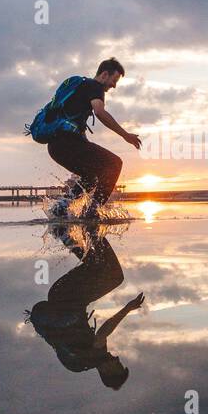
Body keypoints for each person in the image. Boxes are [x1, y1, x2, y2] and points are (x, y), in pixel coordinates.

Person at [27, 230, 144, 388]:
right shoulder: (81, 363)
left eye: (118, 365)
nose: (117, 359)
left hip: (69, 296)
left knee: (115, 276)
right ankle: (64, 231)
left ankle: (92, 226)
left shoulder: (96, 356)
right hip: (60, 295)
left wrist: (128, 308)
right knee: (97, 265)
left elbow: (104, 332)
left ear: (108, 371)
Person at [45, 57, 141, 216]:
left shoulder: (81, 87)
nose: (113, 86)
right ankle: (92, 212)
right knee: (115, 163)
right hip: (67, 143)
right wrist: (126, 135)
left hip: (56, 147)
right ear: (104, 74)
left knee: (92, 176)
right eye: (114, 80)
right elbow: (99, 112)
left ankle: (61, 207)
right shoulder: (95, 87)